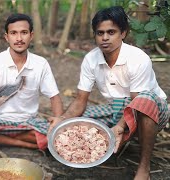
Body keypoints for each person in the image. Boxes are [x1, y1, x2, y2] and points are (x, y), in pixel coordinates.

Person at [49, 6, 169, 180]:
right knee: (78, 124)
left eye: (111, 32)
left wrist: (120, 127)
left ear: (123, 33)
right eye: (100, 33)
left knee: (145, 99)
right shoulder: (91, 59)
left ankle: (144, 168)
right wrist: (63, 121)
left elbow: (137, 103)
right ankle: (106, 143)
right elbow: (80, 101)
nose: (105, 38)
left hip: (151, 110)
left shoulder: (138, 58)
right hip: (117, 109)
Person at [0, 13, 63, 150]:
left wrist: (58, 120)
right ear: (7, 37)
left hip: (28, 123)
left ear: (31, 36)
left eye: (24, 33)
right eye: (14, 33)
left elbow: (54, 96)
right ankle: (24, 144)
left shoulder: (41, 64)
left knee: (56, 135)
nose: (19, 38)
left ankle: (4, 141)